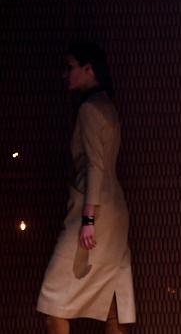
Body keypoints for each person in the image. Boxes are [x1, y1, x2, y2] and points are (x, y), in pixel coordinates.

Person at [37, 42, 136, 334]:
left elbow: (95, 166)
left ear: (88, 69)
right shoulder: (107, 106)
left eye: (70, 68)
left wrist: (88, 219)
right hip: (115, 210)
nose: (64, 75)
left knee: (52, 300)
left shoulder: (90, 109)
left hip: (94, 213)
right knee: (111, 303)